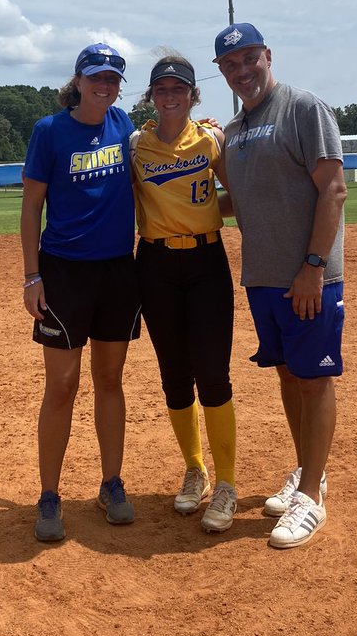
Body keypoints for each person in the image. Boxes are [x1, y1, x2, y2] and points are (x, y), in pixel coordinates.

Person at [214, 22, 347, 550]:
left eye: (250, 58)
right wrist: (168, 204)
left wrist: (313, 266)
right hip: (263, 277)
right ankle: (306, 472)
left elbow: (333, 190)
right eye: (231, 64)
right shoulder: (235, 129)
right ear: (222, 72)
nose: (242, 70)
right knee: (289, 376)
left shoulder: (303, 109)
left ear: (267, 55)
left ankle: (311, 496)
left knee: (314, 380)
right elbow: (239, 201)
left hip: (308, 276)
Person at [21, 43, 142, 542]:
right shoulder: (50, 131)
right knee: (62, 386)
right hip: (64, 272)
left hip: (116, 270)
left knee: (110, 380)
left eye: (112, 78)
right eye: (96, 77)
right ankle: (49, 495)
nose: (104, 85)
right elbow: (32, 207)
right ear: (78, 80)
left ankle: (111, 483)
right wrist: (32, 276)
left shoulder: (125, 125)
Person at [130, 51, 238, 533]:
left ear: (193, 95)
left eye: (179, 89)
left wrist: (207, 212)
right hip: (155, 265)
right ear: (151, 96)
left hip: (205, 262)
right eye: (161, 89)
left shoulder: (212, 139)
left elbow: (238, 195)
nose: (169, 96)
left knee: (213, 374)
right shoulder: (137, 146)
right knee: (174, 374)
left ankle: (227, 483)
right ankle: (195, 470)